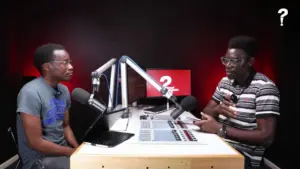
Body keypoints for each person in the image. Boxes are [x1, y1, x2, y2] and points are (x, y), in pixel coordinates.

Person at [194, 35, 280, 169]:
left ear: (250, 62)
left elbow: (266, 137)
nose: (227, 65)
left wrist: (220, 129)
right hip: (217, 145)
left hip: (243, 157)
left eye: (234, 61)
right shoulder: (224, 82)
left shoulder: (264, 88)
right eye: (226, 60)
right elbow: (205, 114)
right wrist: (217, 110)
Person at [16, 43, 78, 169]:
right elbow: (36, 143)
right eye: (65, 62)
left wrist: (78, 150)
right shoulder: (30, 92)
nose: (71, 67)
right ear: (47, 67)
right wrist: (71, 152)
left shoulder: (64, 90)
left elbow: (65, 126)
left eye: (70, 62)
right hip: (38, 160)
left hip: (62, 153)